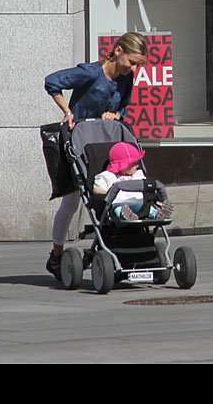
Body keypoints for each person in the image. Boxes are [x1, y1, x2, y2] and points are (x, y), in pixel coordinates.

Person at [43, 31, 148, 281]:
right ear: (118, 51)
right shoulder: (91, 73)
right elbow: (52, 82)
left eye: (137, 64)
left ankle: (118, 250)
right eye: (131, 62)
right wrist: (68, 112)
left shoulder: (126, 77)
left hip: (107, 145)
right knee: (71, 202)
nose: (133, 68)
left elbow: (123, 106)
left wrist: (116, 115)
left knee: (113, 196)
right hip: (79, 143)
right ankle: (56, 256)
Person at [93, 141, 174, 221]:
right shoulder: (108, 176)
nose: (138, 165)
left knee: (150, 209)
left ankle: (158, 214)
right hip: (121, 203)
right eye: (134, 162)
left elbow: (147, 186)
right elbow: (96, 188)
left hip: (141, 203)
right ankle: (125, 215)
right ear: (123, 164)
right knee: (118, 209)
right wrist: (106, 192)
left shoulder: (138, 174)